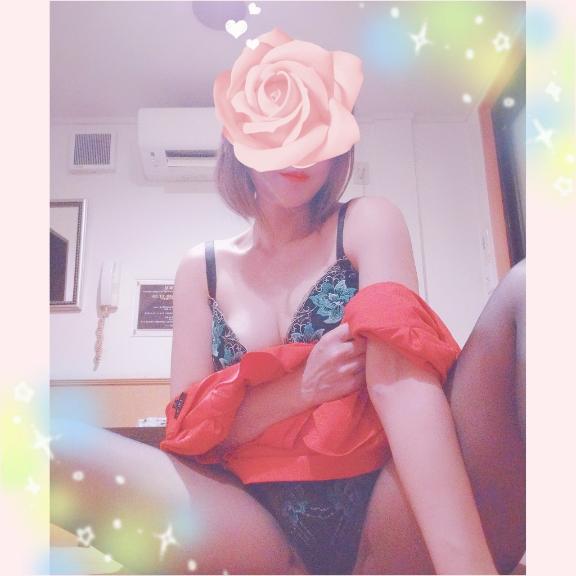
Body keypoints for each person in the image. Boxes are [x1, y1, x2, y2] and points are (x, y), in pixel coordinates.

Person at [51, 28, 525, 575]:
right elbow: (190, 436)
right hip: (253, 526)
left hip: (383, 510)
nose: (299, 150)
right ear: (238, 139)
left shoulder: (367, 222)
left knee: (529, 286)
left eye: (316, 131)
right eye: (279, 129)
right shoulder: (199, 269)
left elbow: (401, 385)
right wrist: (301, 388)